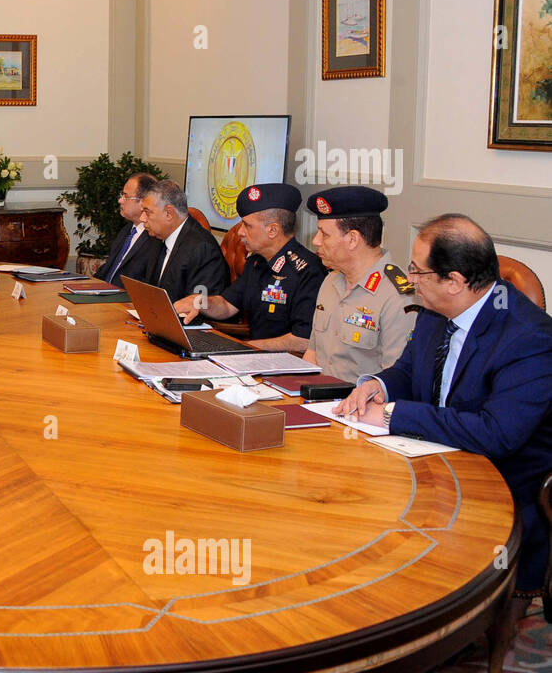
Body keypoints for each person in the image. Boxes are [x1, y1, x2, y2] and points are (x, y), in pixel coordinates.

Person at [336, 214, 552, 608]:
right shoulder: (437, 311)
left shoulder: (529, 338)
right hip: (431, 461)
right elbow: (408, 369)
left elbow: (497, 434)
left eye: (418, 271)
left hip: (498, 488)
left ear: (454, 281)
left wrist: (391, 415)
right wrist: (377, 386)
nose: (409, 279)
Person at [173, 183, 324, 352]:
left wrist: (244, 348)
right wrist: (201, 302)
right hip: (253, 358)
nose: (240, 232)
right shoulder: (256, 262)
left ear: (273, 230)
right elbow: (227, 305)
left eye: (247, 225)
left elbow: (303, 340)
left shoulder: (308, 271)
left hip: (285, 366)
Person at [301, 186, 417, 381]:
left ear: (353, 239)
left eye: (324, 234)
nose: (315, 241)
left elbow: (398, 379)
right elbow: (312, 354)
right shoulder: (330, 280)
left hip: (361, 406)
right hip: (317, 399)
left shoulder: (399, 295)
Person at [137, 179, 230, 301]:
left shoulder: (203, 249)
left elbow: (201, 305)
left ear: (169, 213)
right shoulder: (157, 238)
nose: (142, 218)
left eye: (147, 212)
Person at [94, 172, 162, 285]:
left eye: (125, 196)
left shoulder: (154, 239)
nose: (120, 200)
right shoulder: (127, 230)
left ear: (143, 202)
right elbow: (106, 271)